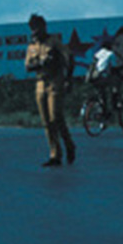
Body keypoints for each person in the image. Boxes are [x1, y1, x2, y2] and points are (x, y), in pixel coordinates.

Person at [25, 14, 76, 167]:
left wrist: (68, 79)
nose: (34, 31)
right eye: (32, 28)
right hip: (40, 82)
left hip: (55, 80)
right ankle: (55, 154)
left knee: (56, 117)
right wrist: (41, 62)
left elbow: (70, 57)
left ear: (43, 27)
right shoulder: (32, 46)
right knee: (46, 121)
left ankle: (69, 144)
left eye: (37, 27)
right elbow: (28, 66)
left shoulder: (54, 42)